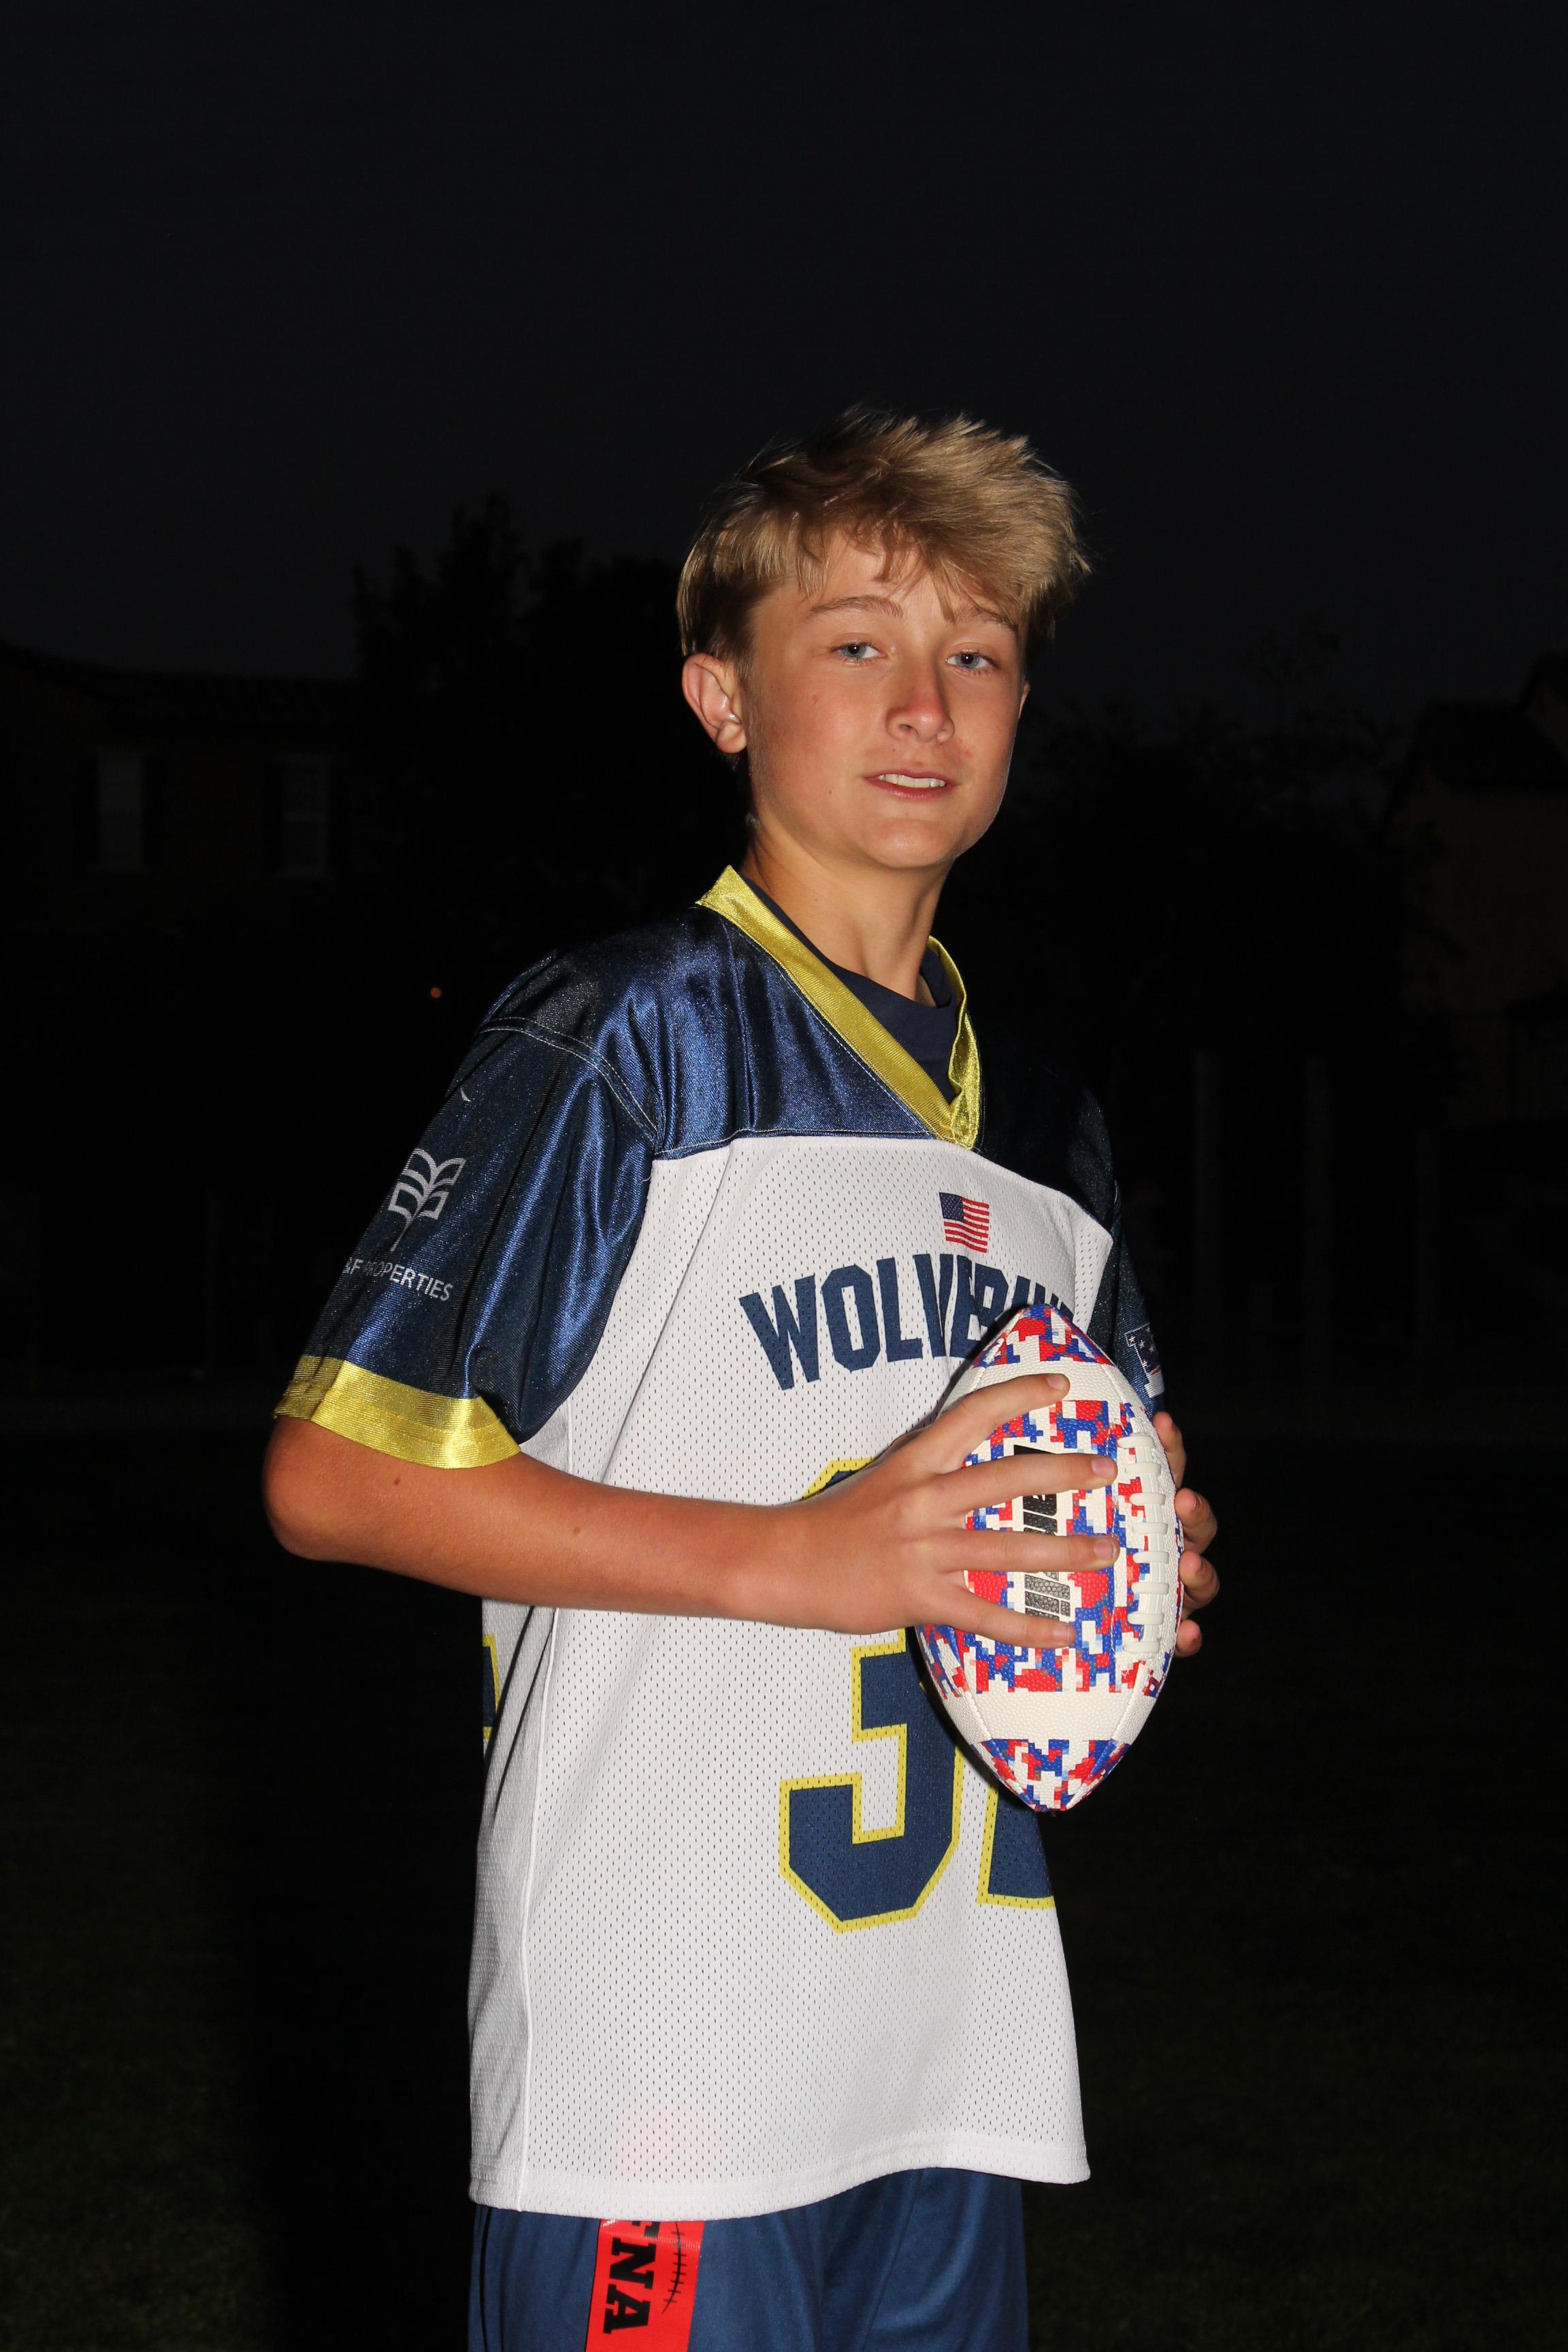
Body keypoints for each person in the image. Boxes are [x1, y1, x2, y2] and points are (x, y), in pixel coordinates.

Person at [263, 408, 1220, 2351]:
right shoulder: (625, 1036)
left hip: (947, 2047)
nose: (925, 703)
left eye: (978, 654)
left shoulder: (1050, 1129)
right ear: (722, 697)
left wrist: (1135, 1563)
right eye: (856, 642)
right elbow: (335, 1479)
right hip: (668, 2064)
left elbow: (1091, 1474)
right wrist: (814, 1561)